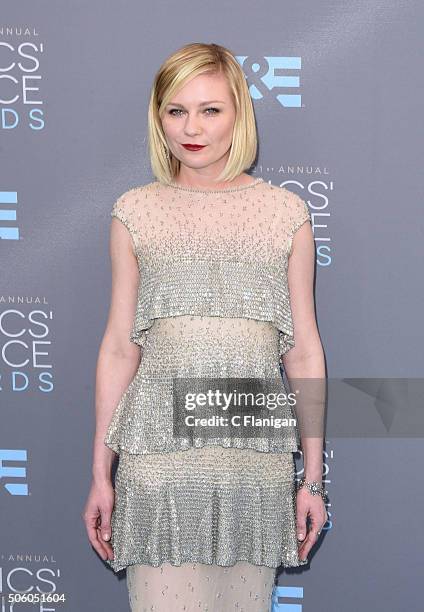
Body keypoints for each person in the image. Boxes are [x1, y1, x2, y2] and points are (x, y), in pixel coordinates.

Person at [82, 42, 328, 612]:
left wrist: (311, 479)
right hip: (159, 465)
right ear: (158, 116)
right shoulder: (134, 211)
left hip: (255, 465)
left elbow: (304, 354)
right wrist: (101, 473)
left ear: (239, 113)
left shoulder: (285, 213)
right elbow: (120, 348)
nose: (192, 127)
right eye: (176, 110)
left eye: (211, 109)